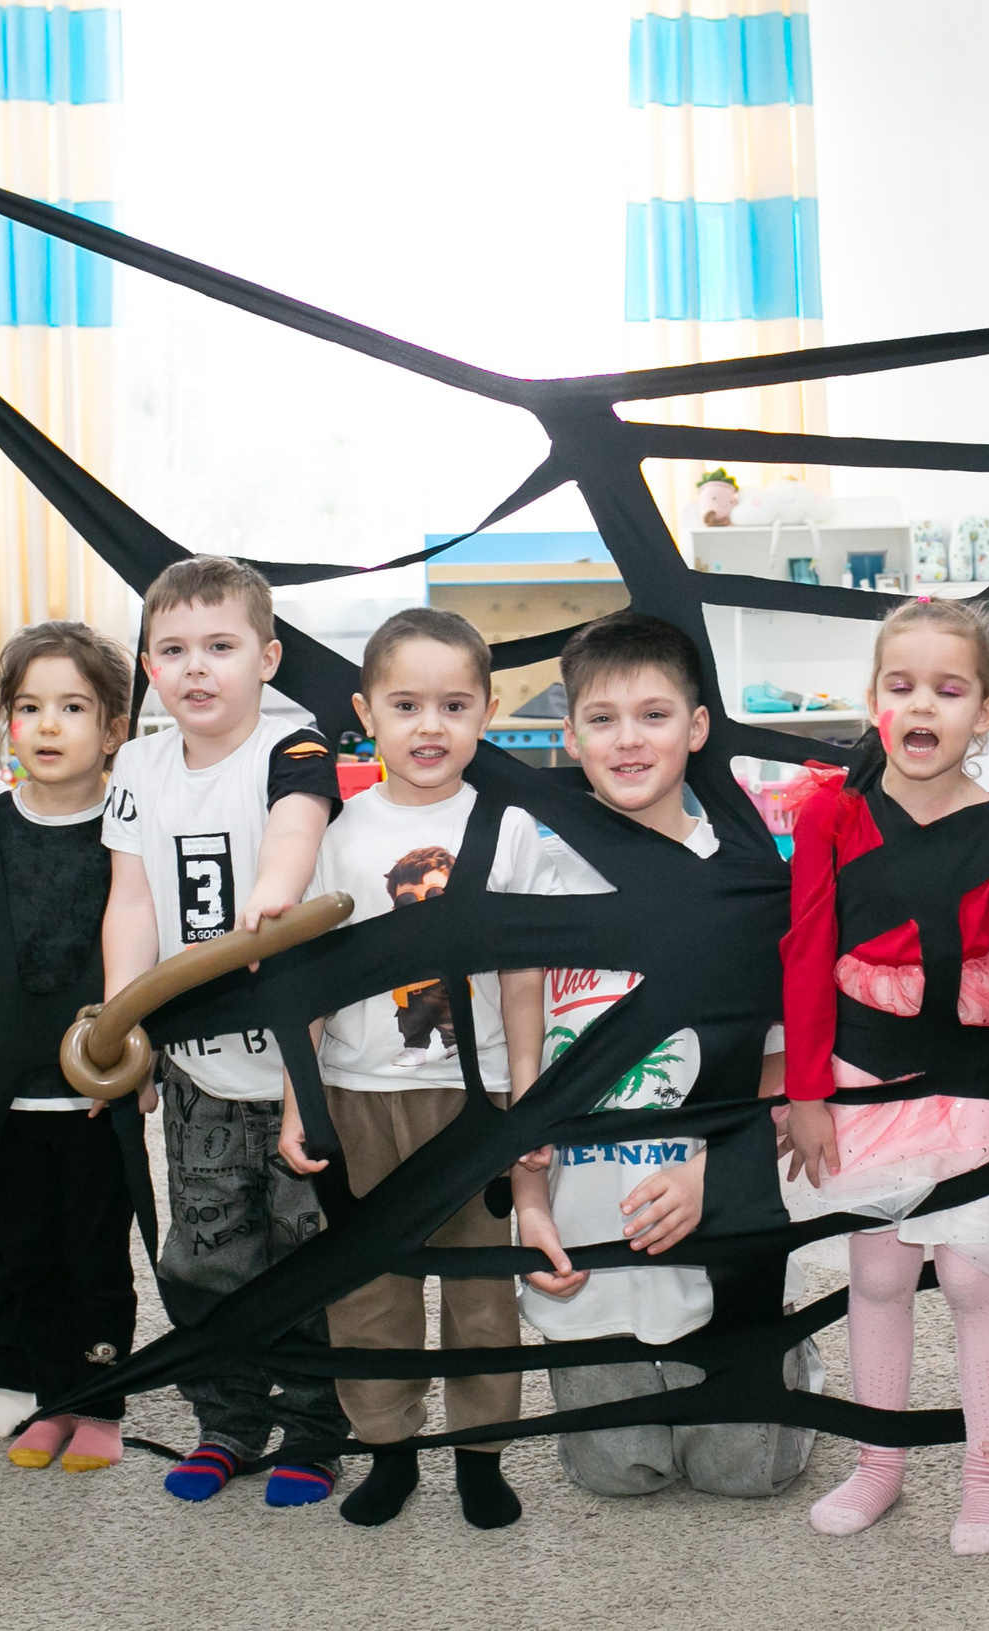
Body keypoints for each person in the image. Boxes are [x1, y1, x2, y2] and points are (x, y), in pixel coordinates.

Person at [781, 597, 989, 1557]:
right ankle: (879, 1463)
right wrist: (805, 1092)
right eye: (901, 686)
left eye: (949, 690)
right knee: (877, 1269)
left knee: (970, 1273)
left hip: (978, 1078)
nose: (924, 706)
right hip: (864, 1074)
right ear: (874, 699)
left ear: (984, 713)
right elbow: (805, 952)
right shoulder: (831, 812)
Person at [507, 610, 816, 1499]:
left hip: (712, 1225)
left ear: (698, 727)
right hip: (586, 1228)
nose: (628, 739)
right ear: (567, 735)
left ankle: (795, 1351)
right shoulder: (540, 875)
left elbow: (781, 1061)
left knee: (745, 1473)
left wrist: (712, 1170)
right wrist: (530, 1205)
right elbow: (517, 1074)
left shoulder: (746, 880)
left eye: (654, 714)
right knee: (618, 1475)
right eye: (602, 719)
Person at [277, 607, 547, 1531]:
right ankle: (388, 1449)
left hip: (474, 1104)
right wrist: (295, 1102)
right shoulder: (339, 834)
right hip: (359, 1097)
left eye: (453, 704)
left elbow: (523, 980)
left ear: (488, 711)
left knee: (481, 1293)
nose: (429, 726)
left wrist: (529, 1096)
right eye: (406, 704)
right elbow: (309, 985)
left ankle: (481, 1455)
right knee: (369, 1294)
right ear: (366, 713)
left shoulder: (509, 830)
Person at [96, 554, 352, 1508]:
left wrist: (275, 896)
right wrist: (125, 1022)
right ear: (149, 667)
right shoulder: (141, 762)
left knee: (305, 1247)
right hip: (197, 1060)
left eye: (220, 646)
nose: (196, 668)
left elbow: (296, 824)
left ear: (268, 657)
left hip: (299, 1055)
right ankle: (228, 1418)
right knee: (207, 1244)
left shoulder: (293, 746)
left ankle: (316, 1426)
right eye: (172, 649)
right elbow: (129, 899)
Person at [0, 622, 138, 1473]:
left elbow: (144, 959)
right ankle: (30, 1387)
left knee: (95, 1251)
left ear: (113, 727)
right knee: (13, 1246)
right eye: (30, 707)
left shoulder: (127, 829)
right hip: (4, 1087)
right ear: (4, 720)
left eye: (73, 707)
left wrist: (133, 1068)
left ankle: (96, 1401)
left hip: (93, 1092)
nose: (49, 725)